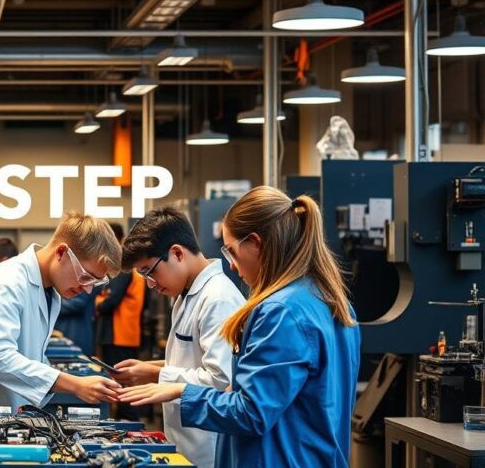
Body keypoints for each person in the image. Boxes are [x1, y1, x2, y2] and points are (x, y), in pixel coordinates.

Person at [118, 188, 361, 468]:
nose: (232, 266)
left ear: (255, 243)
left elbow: (251, 412)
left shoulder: (280, 311)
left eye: (231, 251)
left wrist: (181, 391)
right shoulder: (329, 302)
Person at [0, 212, 123, 417]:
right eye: (85, 276)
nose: (87, 290)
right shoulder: (6, 284)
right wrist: (74, 384)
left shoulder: (50, 290)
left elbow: (29, 355)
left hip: (11, 413)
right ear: (61, 253)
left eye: (95, 283)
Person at [113, 208, 244, 468]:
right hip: (187, 441)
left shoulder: (218, 299)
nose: (150, 283)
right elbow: (194, 359)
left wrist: (159, 378)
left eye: (149, 271)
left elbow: (221, 379)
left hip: (208, 446)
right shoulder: (187, 295)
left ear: (177, 253)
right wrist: (149, 369)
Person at [94, 222, 144, 418]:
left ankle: (129, 424)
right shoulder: (125, 267)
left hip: (120, 334)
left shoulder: (124, 268)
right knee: (122, 384)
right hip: (120, 334)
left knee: (123, 385)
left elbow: (110, 301)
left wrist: (97, 303)